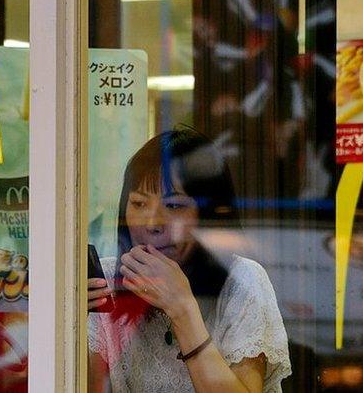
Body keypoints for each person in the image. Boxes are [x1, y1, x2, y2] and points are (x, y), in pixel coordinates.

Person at [87, 129, 291, 392]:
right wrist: (68, 324)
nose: (151, 224)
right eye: (138, 203)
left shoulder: (242, 279)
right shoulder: (105, 281)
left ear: (207, 216)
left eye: (174, 206)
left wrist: (182, 308)